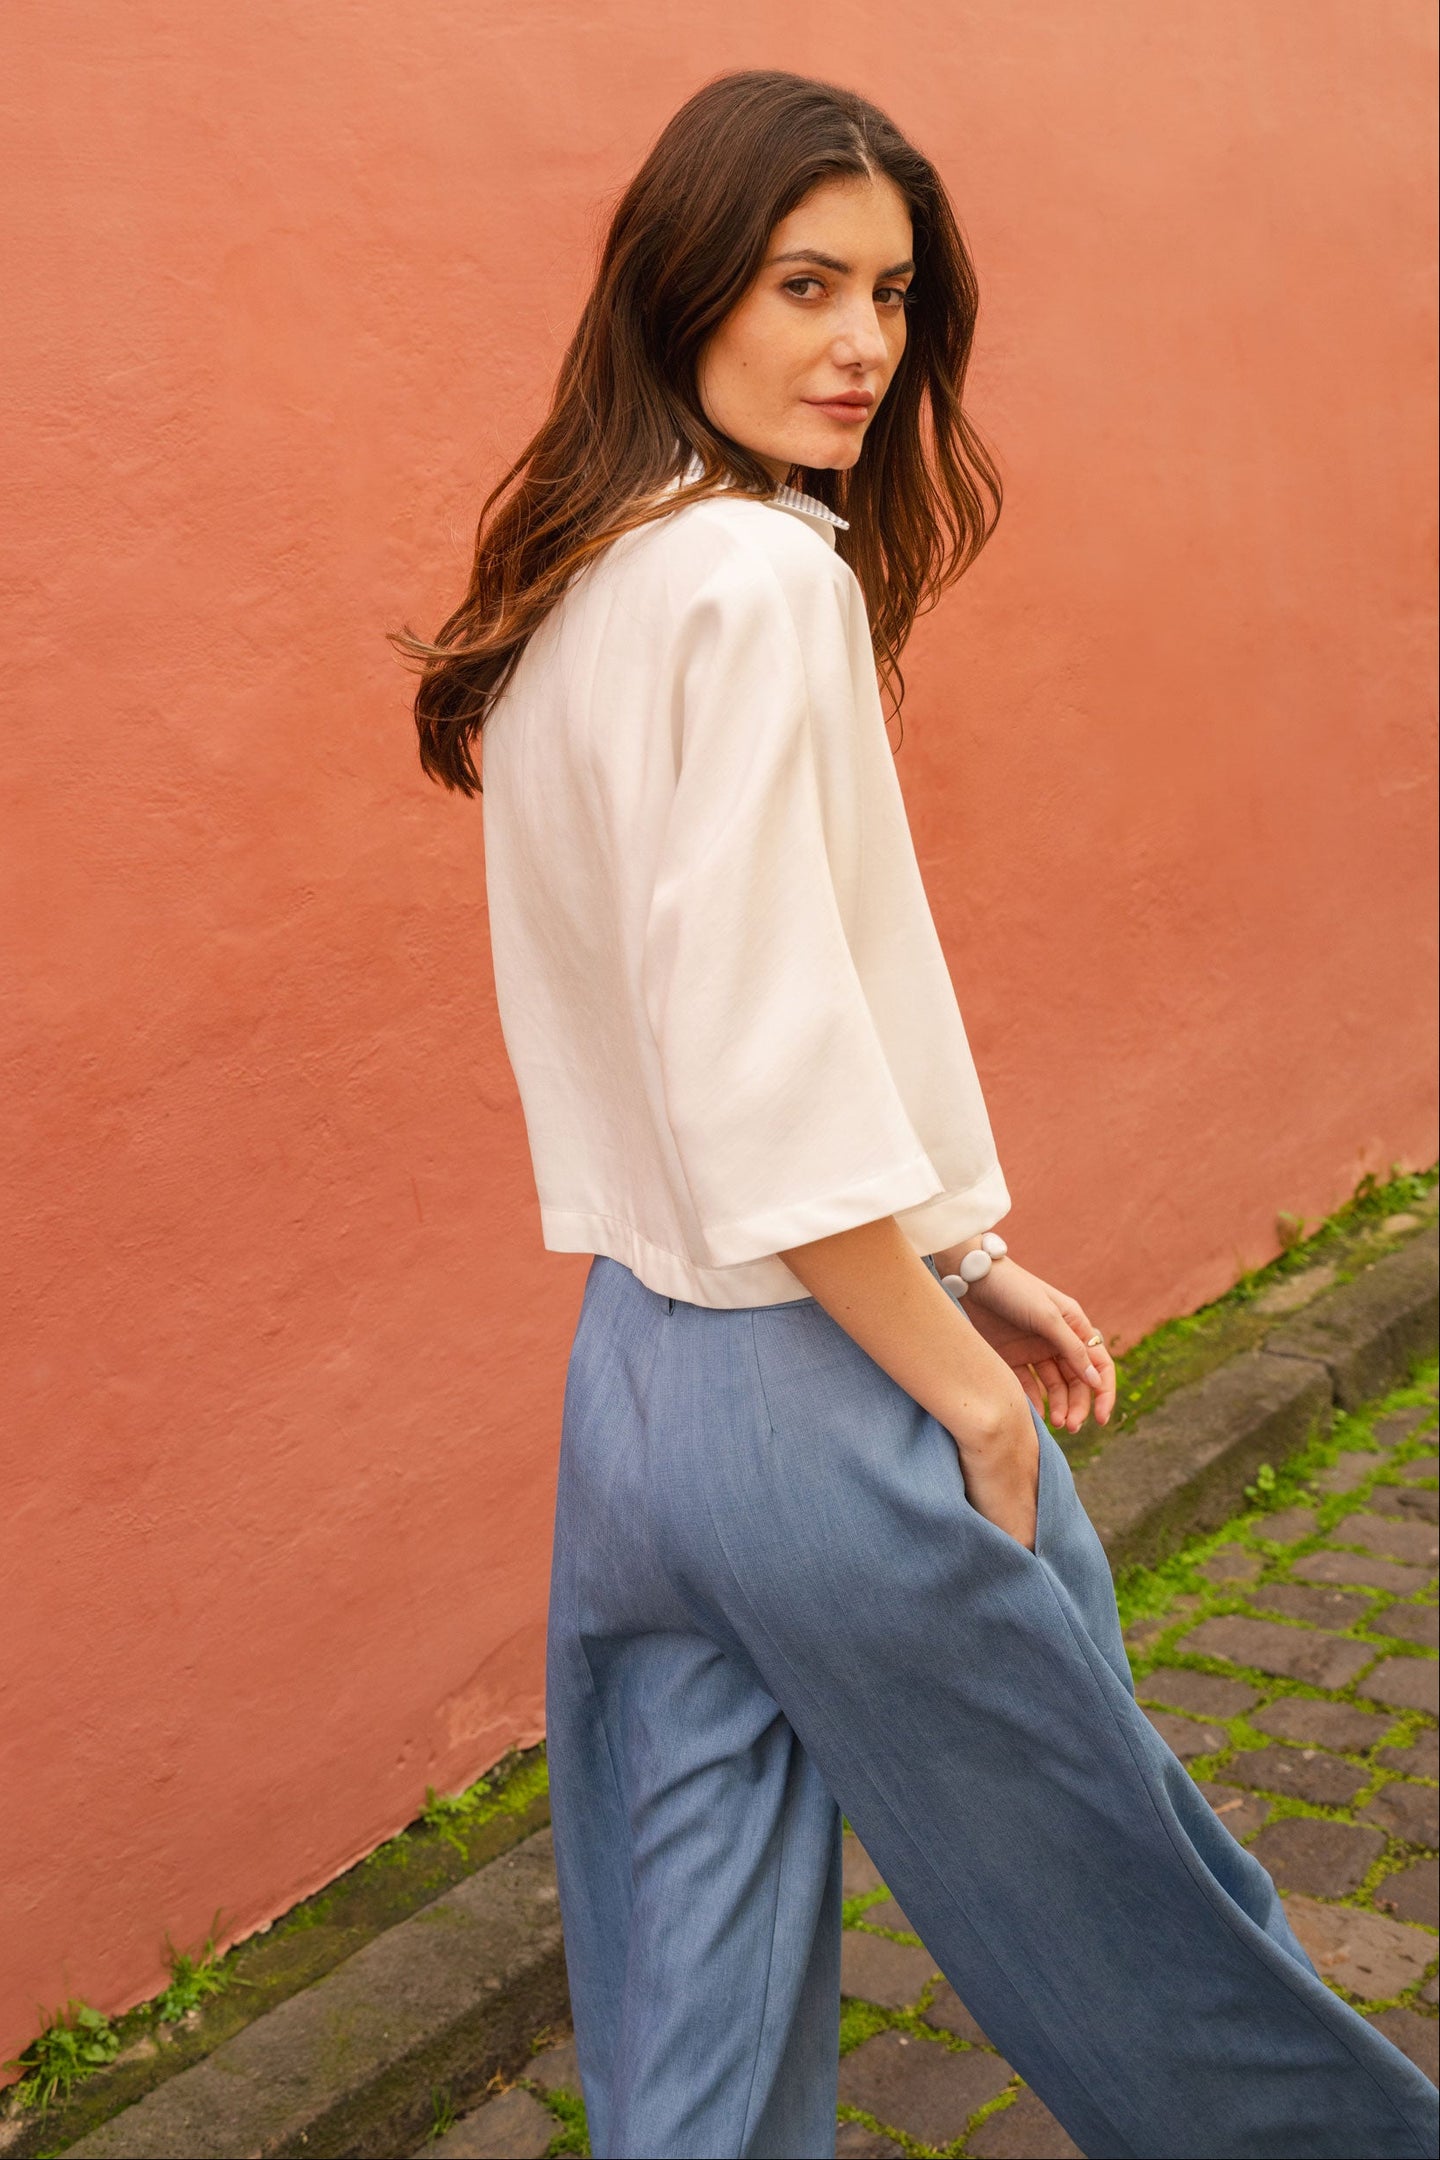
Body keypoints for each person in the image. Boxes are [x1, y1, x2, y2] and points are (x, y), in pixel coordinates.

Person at [398, 67, 1438, 2160]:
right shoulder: (765, 581)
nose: (865, 343)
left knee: (688, 2046)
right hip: (824, 1397)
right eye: (805, 285)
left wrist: (965, 1243)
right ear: (681, 285)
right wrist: (958, 1386)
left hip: (640, 1400)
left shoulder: (579, 589)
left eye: (891, 292)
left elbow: (716, 1033)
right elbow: (758, 1057)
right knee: (1162, 1947)